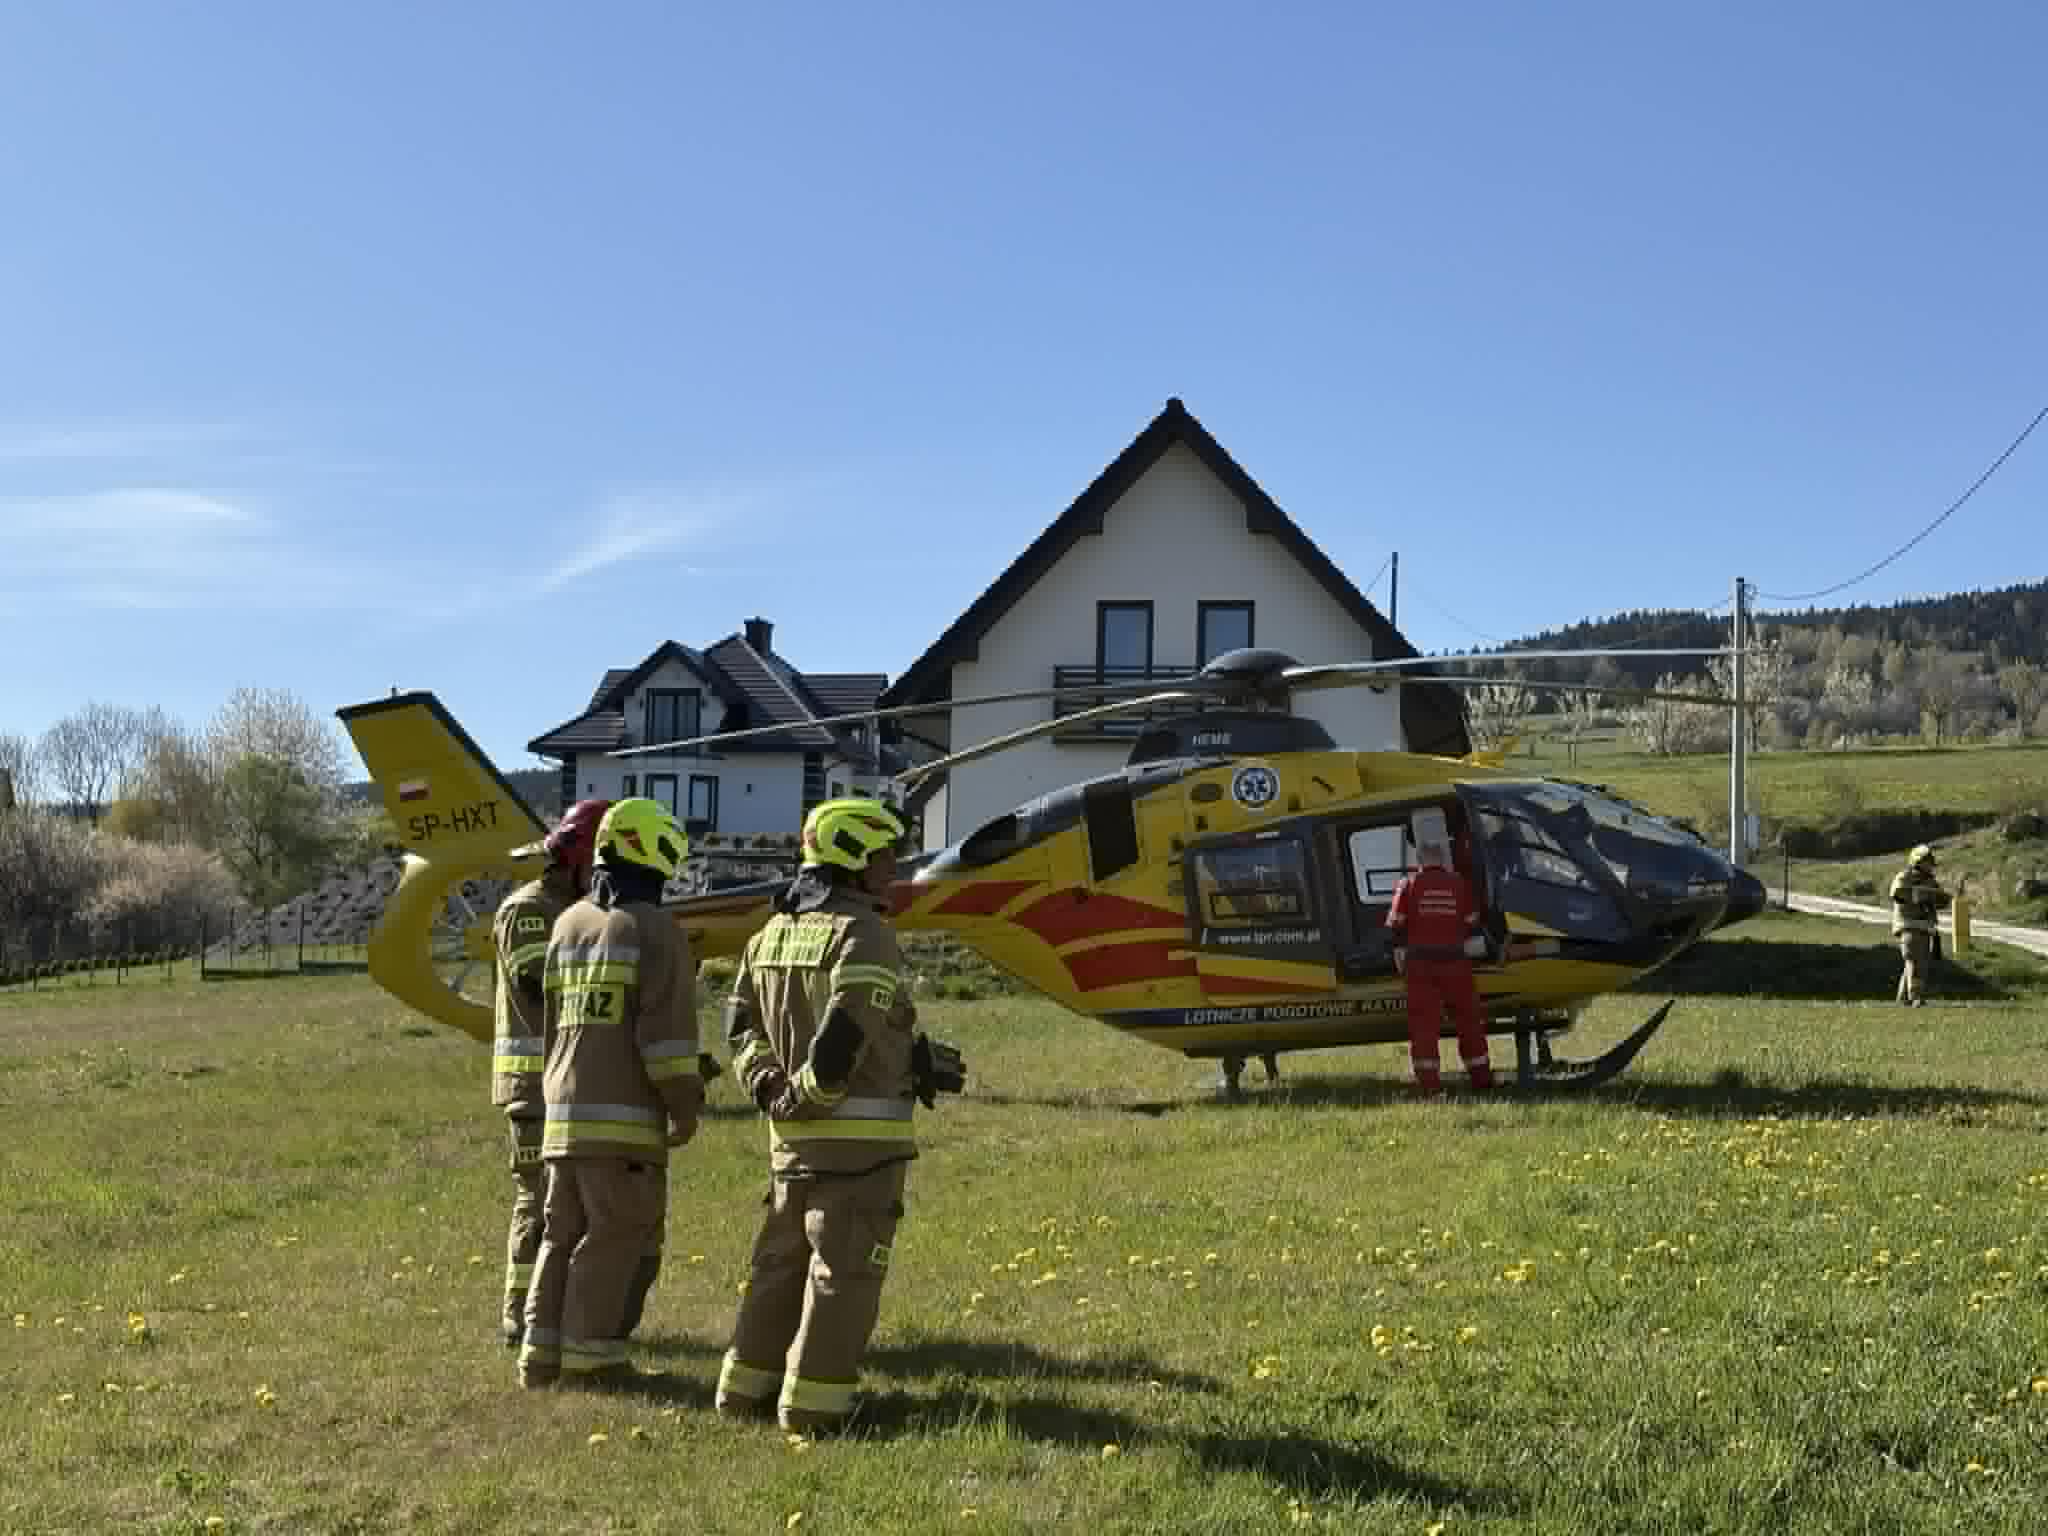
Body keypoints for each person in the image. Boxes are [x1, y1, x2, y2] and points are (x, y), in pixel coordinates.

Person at [714, 797, 966, 1434]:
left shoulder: (769, 933)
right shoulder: (863, 932)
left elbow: (740, 1025)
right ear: (852, 857)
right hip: (859, 1151)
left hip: (790, 1144)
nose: (893, 870)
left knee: (777, 1268)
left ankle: (743, 1391)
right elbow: (841, 1035)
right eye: (884, 857)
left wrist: (771, 1087)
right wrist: (806, 1093)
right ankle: (815, 1409)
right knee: (843, 1274)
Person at [519, 797, 704, 1389]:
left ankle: (540, 1356)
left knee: (560, 1235)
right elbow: (665, 1040)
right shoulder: (653, 929)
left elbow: (551, 1024)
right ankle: (591, 1361)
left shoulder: (568, 925)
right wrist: (685, 1106)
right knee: (614, 1237)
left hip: (562, 1115)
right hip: (622, 1122)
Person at [492, 796, 611, 1349]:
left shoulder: (584, 911)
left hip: (573, 1083)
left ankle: (560, 1315)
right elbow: (536, 983)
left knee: (574, 1208)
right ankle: (520, 1317)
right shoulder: (528, 911)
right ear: (575, 860)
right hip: (533, 1087)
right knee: (539, 1203)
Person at [1387, 808, 1493, 1095]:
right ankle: (1482, 1079)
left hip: (1421, 966)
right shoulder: (1459, 884)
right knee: (1469, 1020)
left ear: (1420, 861)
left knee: (1424, 1026)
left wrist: (1399, 950)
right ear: (1443, 859)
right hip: (1455, 963)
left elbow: (1395, 924)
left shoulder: (1408, 885)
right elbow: (1472, 922)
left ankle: (1430, 1086)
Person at [1888, 843, 1951, 1007]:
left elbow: (1940, 901)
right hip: (1910, 926)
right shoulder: (1904, 876)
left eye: (1931, 863)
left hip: (1924, 927)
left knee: (1913, 962)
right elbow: (1897, 893)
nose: (1930, 866)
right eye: (1926, 862)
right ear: (1916, 861)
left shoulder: (1931, 881)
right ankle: (1916, 997)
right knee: (1916, 963)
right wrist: (1918, 895)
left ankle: (1903, 998)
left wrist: (1942, 898)